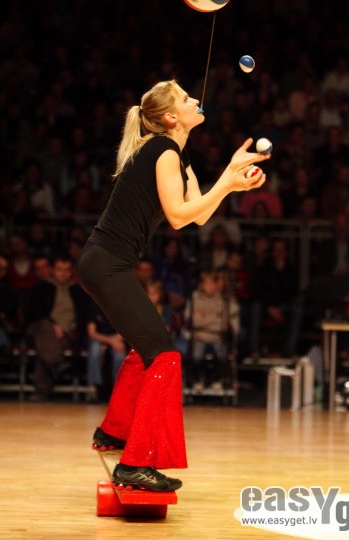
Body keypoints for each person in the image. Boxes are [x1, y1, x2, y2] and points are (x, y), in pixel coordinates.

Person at [77, 79, 269, 493]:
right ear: (169, 117)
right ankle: (135, 465)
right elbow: (179, 217)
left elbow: (198, 216)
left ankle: (114, 432)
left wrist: (230, 175)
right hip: (106, 264)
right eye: (185, 98)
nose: (195, 99)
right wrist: (228, 184)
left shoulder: (176, 157)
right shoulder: (162, 150)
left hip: (104, 263)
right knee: (164, 356)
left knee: (148, 349)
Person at [25, 255, 85, 401]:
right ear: (52, 270)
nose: (63, 273)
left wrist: (65, 330)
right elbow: (33, 313)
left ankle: (42, 390)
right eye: (59, 269)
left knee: (45, 346)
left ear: (71, 271)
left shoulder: (77, 290)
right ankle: (57, 363)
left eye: (66, 270)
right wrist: (54, 325)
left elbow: (83, 316)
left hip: (65, 334)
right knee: (46, 330)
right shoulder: (43, 286)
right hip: (39, 327)